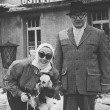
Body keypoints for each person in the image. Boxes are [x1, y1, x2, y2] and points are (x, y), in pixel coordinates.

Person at [54, 1, 110, 110]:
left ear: (86, 15)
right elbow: (57, 63)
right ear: (70, 17)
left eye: (81, 15)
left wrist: (105, 83)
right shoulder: (61, 35)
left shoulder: (99, 34)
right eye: (75, 16)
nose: (78, 18)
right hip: (68, 85)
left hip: (89, 84)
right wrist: (57, 83)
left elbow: (104, 61)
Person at [4, 43, 60, 110]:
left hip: (36, 97)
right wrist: (20, 93)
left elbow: (57, 84)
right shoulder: (21, 65)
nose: (44, 58)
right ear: (37, 54)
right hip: (17, 94)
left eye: (48, 56)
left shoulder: (52, 71)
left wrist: (51, 87)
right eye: (41, 54)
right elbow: (8, 80)